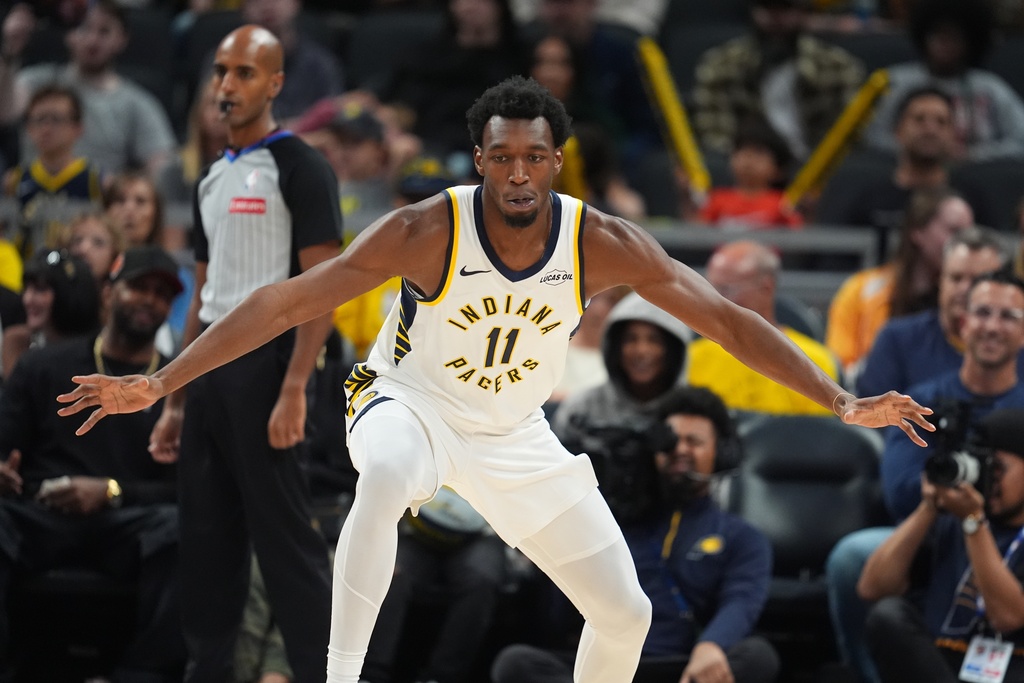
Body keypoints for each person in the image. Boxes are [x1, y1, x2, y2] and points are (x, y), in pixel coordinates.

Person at [56, 75, 934, 683]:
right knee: (386, 473)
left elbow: (730, 321)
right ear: (479, 159)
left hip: (515, 431)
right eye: (502, 157)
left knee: (624, 612)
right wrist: (162, 381)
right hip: (407, 401)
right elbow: (284, 301)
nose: (519, 173)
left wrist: (840, 398)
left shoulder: (602, 242)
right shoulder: (425, 230)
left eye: (534, 159)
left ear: (557, 161)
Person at [135, 25, 341, 683]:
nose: (227, 85)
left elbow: (324, 289)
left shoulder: (300, 166)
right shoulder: (210, 178)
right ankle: (209, 671)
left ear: (276, 83)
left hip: (270, 366)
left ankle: (322, 673)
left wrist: (296, 386)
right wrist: (175, 401)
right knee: (205, 542)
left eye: (245, 72)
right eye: (222, 71)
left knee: (287, 543)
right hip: (210, 370)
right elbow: (202, 295)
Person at [491, 386, 779, 683]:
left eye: (694, 442)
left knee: (758, 655)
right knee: (515, 662)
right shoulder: (611, 522)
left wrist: (712, 645)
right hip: (606, 670)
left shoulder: (742, 537)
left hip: (685, 668)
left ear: (721, 452)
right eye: (671, 441)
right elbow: (559, 615)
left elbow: (741, 602)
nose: (681, 450)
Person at [828, 268, 1024, 683]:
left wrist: (976, 517)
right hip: (936, 524)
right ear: (962, 323)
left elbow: (1010, 617)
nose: (992, 326)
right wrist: (940, 502)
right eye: (983, 313)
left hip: (1007, 533)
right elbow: (901, 494)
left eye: (1008, 316)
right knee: (856, 560)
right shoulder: (922, 401)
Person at [0, 245, 186, 682]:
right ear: (108, 292)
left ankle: (141, 676)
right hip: (41, 514)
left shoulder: (177, 389)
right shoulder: (44, 365)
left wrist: (110, 491)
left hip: (126, 523)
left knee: (183, 531)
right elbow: (6, 445)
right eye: (139, 287)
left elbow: (184, 487)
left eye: (162, 294)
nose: (151, 300)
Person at [858, 407, 1024, 683]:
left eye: (997, 468)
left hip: (1011, 666)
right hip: (940, 663)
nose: (988, 478)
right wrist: (929, 507)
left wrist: (974, 524)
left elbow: (1008, 617)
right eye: (981, 465)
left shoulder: (970, 521)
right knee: (887, 616)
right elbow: (872, 588)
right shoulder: (953, 519)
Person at [0, 1, 178, 176]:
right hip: (35, 190)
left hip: (99, 192)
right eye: (84, 28)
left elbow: (163, 165)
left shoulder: (137, 104)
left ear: (122, 39)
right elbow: (4, 113)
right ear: (69, 34)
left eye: (104, 31)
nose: (93, 40)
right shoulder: (38, 82)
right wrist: (9, 51)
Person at [819, 86, 995, 261]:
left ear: (953, 135)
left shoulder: (970, 200)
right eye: (919, 119)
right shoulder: (869, 199)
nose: (930, 129)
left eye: (941, 122)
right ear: (898, 131)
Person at [826, 186, 975, 378]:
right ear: (918, 231)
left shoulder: (972, 297)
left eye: (969, 234)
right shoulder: (860, 291)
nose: (965, 244)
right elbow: (841, 369)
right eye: (954, 231)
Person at [691, 0, 865, 162]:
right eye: (768, 9)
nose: (776, 20)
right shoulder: (721, 65)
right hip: (746, 170)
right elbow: (715, 134)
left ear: (802, 12)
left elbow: (850, 136)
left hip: (817, 168)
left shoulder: (838, 67)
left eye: (785, 9)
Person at [687, 240, 841, 415]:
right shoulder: (692, 357)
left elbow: (820, 429)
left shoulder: (816, 360)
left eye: (726, 289)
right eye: (709, 288)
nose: (715, 299)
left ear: (766, 287)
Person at [860, 0, 1024, 162]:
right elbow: (871, 135)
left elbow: (1020, 139)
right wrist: (920, 152)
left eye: (954, 38)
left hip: (977, 172)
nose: (944, 44)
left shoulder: (991, 87)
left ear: (969, 43)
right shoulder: (895, 82)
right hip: (904, 169)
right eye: (937, 36)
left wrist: (972, 155)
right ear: (924, 37)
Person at [856, 226, 1008, 399]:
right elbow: (871, 411)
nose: (964, 289)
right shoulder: (896, 340)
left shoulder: (1017, 348)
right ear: (940, 280)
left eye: (977, 280)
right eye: (956, 278)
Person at [552, 291, 693, 447]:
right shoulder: (581, 409)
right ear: (615, 346)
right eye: (630, 339)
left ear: (674, 349)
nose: (641, 350)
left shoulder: (695, 413)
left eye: (654, 340)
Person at [2, 84, 104, 260]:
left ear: (78, 128)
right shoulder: (15, 180)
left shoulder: (95, 180)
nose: (46, 128)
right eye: (39, 119)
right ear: (28, 128)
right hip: (28, 271)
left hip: (78, 269)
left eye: (56, 119)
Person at [1, 248, 100, 379]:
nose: (27, 299)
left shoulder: (97, 352)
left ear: (66, 294)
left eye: (40, 289)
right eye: (27, 288)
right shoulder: (18, 342)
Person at [694, 123, 803, 229]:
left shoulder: (783, 203)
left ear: (778, 170)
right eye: (741, 150)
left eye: (758, 153)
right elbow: (698, 232)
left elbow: (798, 234)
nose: (748, 158)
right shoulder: (717, 199)